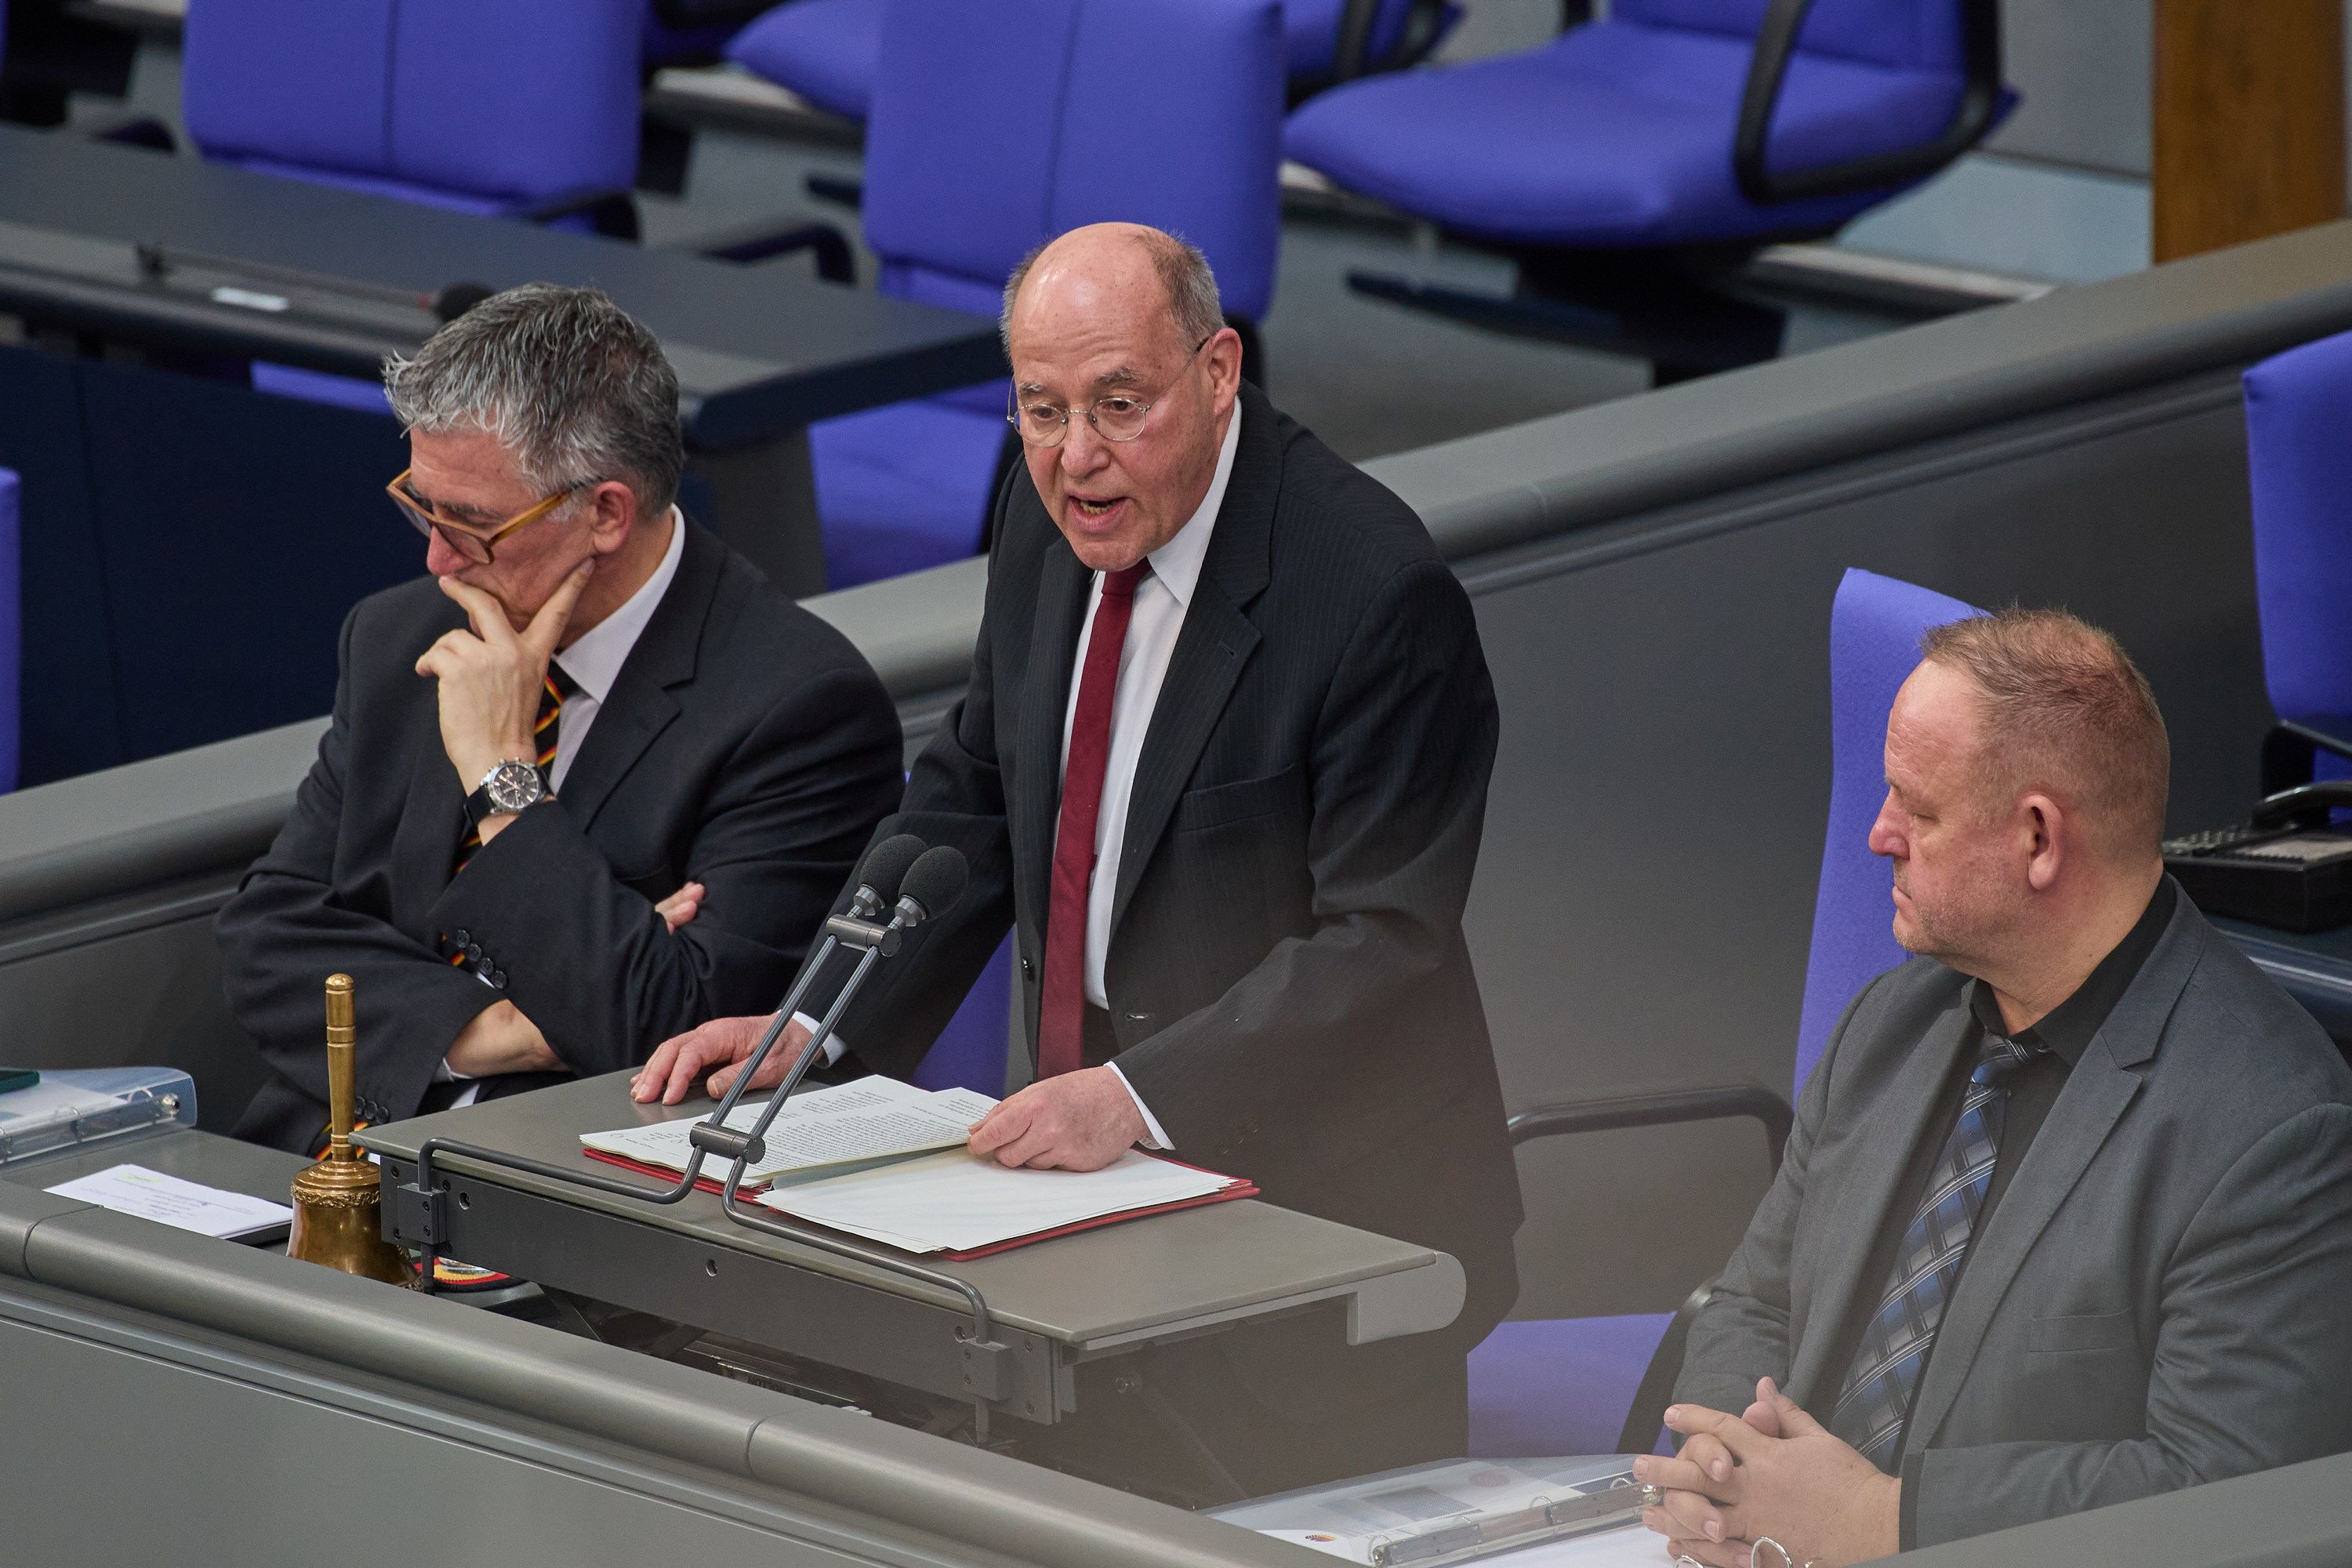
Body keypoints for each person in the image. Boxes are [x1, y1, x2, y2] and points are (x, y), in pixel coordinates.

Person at [635, 223, 1522, 1494]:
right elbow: (968, 802)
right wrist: (812, 1028)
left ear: (1217, 373)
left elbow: (1383, 939)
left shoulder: (1373, 592)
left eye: (1120, 404)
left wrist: (1137, 1098)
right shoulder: (1042, 512)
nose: (1076, 458)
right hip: (1085, 1202)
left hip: (1325, 1227)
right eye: (1040, 410)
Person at [1639, 608, 2352, 1564]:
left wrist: (1878, 1523)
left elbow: (2223, 1487)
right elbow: (1755, 1300)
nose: (1877, 835)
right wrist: (1724, 1472)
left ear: (2037, 837)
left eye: (1917, 808)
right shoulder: (1889, 1025)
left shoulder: (2274, 1128)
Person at [222, 285, 902, 1155]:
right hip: (320, 1153)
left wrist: (503, 781)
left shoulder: (801, 707)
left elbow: (670, 1031)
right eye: (419, 505)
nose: (435, 560)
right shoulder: (405, 637)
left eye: (470, 524)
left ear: (607, 512)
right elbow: (267, 934)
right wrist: (493, 1029)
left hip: (566, 1207)